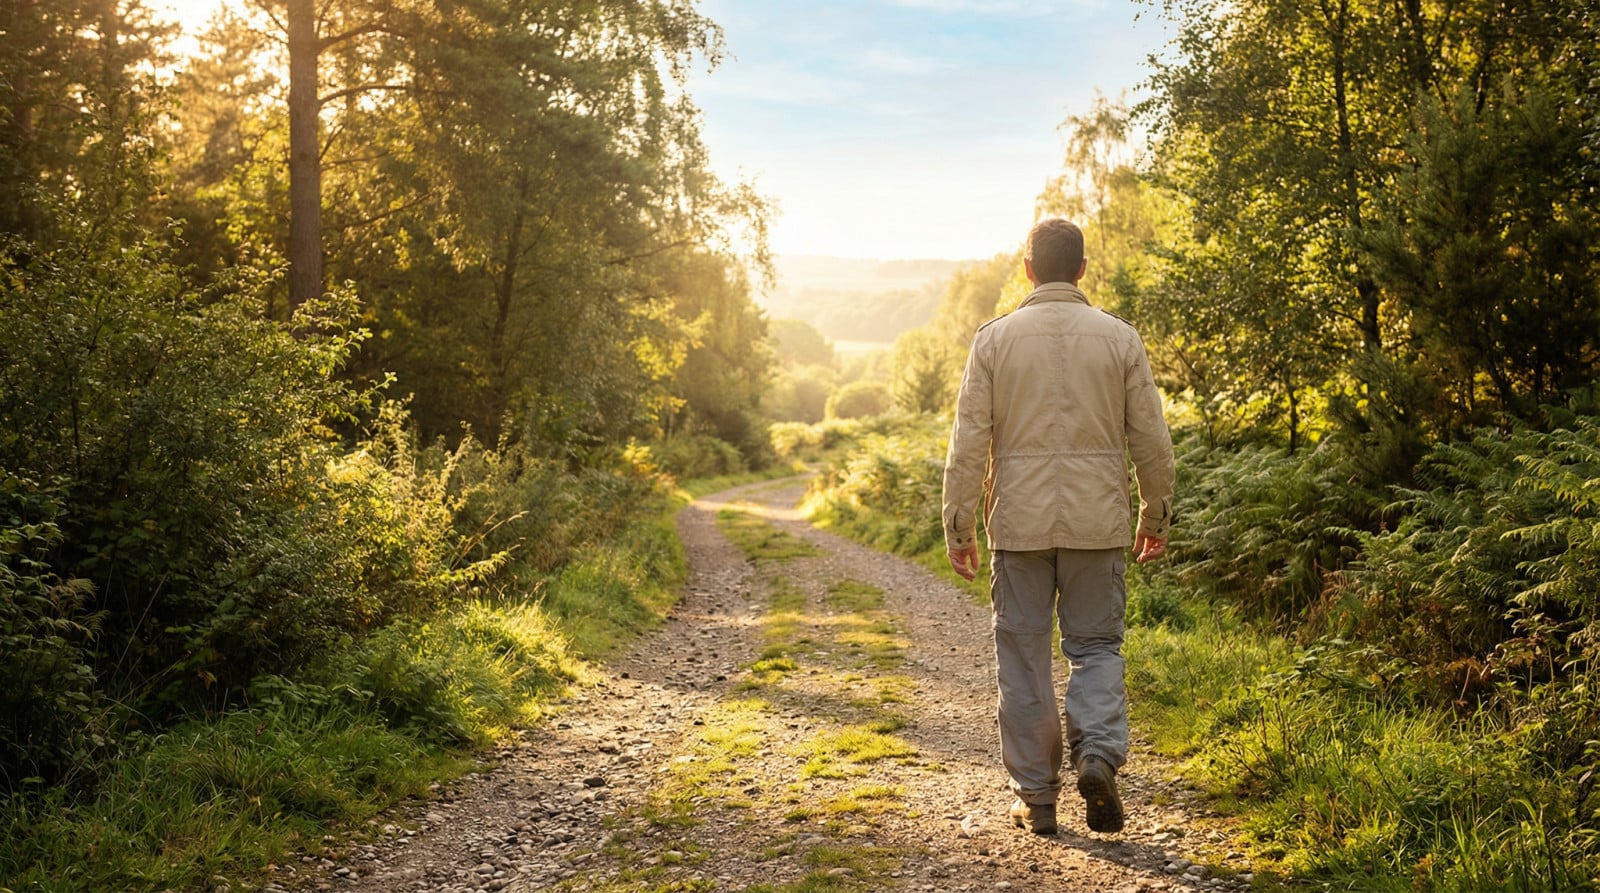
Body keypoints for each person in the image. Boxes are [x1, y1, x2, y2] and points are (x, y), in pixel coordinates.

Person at [941, 218, 1175, 836]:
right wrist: (1154, 513)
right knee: (1096, 647)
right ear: (1081, 270)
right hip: (1098, 523)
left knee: (1023, 657)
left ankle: (1038, 799)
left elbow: (968, 443)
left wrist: (960, 526)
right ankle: (1096, 753)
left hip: (1017, 525)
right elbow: (1151, 438)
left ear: (1027, 270)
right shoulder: (1120, 339)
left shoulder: (993, 341)